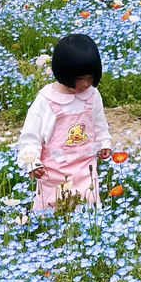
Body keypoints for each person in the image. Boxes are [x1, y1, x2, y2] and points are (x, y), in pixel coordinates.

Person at [17, 34, 112, 211]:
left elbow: (99, 123)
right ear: (63, 72)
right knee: (52, 211)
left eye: (90, 78)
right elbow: (30, 136)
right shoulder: (46, 100)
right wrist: (31, 162)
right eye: (80, 78)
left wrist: (104, 142)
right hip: (53, 171)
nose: (86, 84)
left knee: (88, 207)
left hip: (85, 166)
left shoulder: (92, 95)